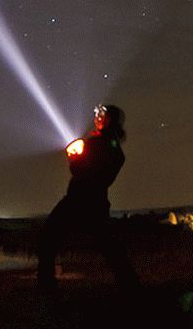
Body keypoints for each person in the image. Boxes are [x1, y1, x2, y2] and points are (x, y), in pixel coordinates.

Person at [37, 104, 140, 295]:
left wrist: (74, 158)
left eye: (102, 114)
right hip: (94, 202)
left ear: (110, 120)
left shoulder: (103, 146)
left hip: (79, 201)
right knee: (109, 247)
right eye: (97, 114)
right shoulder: (112, 148)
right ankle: (131, 285)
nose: (97, 117)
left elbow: (83, 173)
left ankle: (47, 287)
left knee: (49, 238)